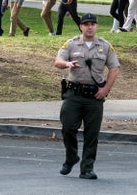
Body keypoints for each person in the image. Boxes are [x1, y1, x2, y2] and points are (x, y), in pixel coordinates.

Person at [54, 13, 120, 180]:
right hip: (74, 94)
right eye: (86, 24)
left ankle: (87, 168)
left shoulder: (105, 46)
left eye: (93, 24)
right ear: (81, 27)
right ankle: (71, 157)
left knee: (92, 134)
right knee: (68, 128)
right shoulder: (71, 43)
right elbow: (58, 61)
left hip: (94, 97)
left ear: (97, 26)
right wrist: (67, 64)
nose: (90, 27)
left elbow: (114, 68)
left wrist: (105, 89)